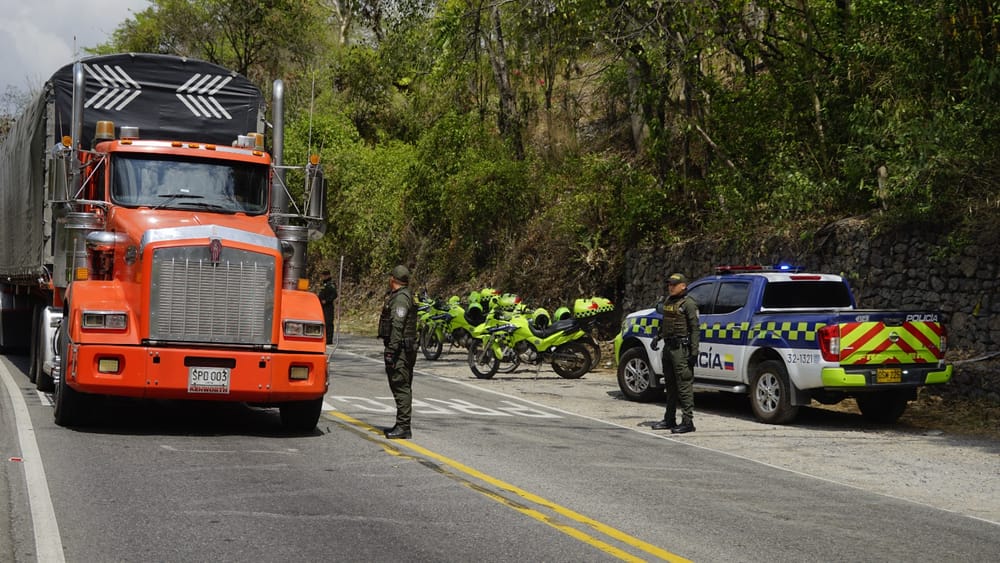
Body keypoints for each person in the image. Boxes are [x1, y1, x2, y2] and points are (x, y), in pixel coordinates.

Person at [651, 273, 700, 434]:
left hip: (681, 349)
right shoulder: (668, 302)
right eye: (669, 284)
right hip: (668, 347)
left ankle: (687, 421)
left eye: (674, 284)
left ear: (683, 286)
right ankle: (669, 418)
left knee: (684, 385)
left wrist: (694, 352)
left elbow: (694, 329)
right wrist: (657, 337)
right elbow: (665, 323)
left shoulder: (689, 304)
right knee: (670, 385)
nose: (670, 287)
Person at [377, 265, 418, 439]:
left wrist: (392, 350)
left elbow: (397, 325)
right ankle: (401, 424)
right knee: (402, 385)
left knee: (400, 385)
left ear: (392, 279)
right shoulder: (404, 295)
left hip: (400, 349)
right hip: (404, 347)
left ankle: (403, 427)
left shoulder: (401, 299)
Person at [318, 270, 338, 344]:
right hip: (322, 306)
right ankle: (324, 338)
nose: (322, 277)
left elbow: (334, 295)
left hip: (328, 306)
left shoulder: (331, 284)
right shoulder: (324, 284)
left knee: (328, 322)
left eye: (324, 276)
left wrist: (326, 301)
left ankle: (329, 340)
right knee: (323, 322)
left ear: (328, 276)